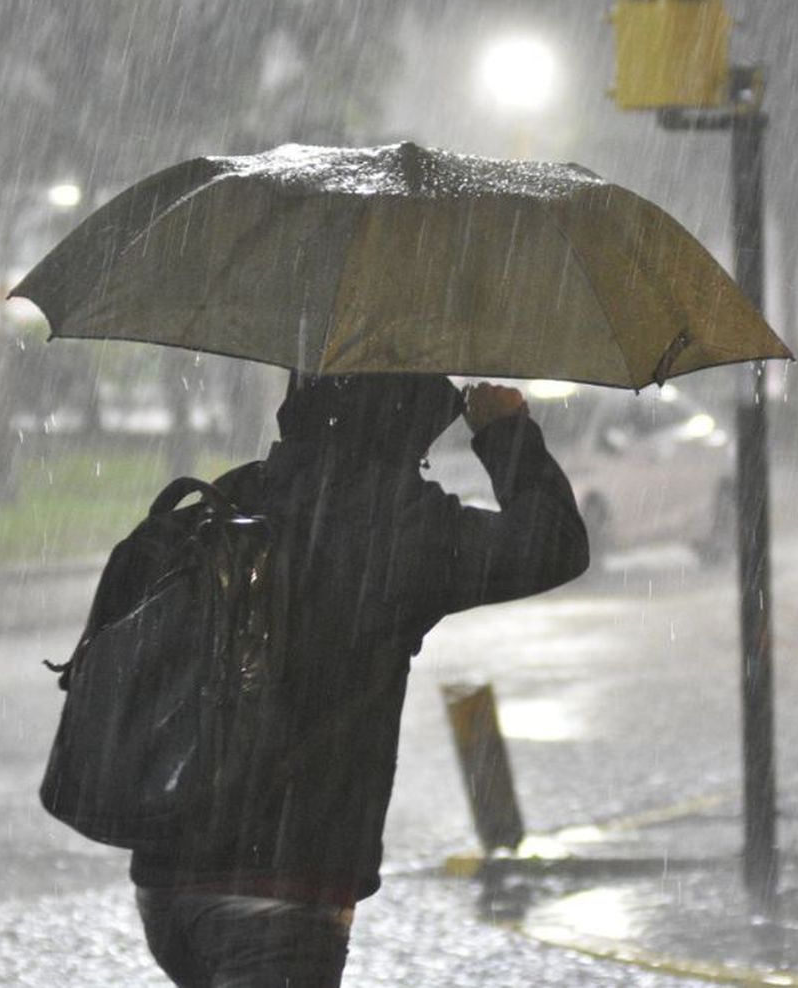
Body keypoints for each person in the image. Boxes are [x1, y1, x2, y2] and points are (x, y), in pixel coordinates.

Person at [126, 373, 589, 987]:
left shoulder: (233, 497)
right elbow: (553, 543)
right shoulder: (398, 526)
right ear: (402, 429)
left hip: (167, 881)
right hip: (282, 891)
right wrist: (505, 433)